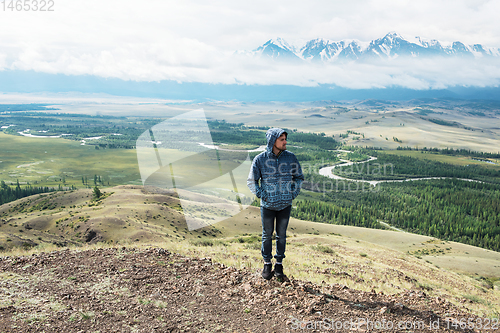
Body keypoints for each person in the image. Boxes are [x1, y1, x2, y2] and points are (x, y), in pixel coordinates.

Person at [247, 128, 304, 280]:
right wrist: (262, 195)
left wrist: (293, 192)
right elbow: (252, 181)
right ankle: (267, 263)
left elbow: (299, 177)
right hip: (267, 206)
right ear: (272, 141)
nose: (285, 142)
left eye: (285, 139)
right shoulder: (260, 159)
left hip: (285, 204)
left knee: (282, 236)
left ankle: (279, 264)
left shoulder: (290, 157)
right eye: (282, 139)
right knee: (266, 235)